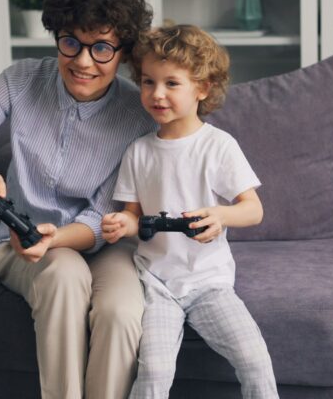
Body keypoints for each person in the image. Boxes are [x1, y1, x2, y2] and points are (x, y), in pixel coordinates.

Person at [0, 0, 157, 398]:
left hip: (103, 241)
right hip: (20, 245)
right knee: (64, 274)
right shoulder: (20, 79)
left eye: (101, 47)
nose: (83, 62)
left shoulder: (137, 115)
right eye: (71, 42)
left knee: (122, 309)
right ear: (56, 36)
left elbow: (105, 214)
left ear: (123, 51)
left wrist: (58, 236)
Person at [101, 25, 279, 398]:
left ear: (203, 88)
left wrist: (221, 215)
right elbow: (134, 216)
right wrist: (124, 223)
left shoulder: (218, 146)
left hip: (208, 283)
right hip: (156, 284)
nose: (157, 94)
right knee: (154, 372)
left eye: (171, 83)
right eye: (148, 82)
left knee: (255, 358)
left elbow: (253, 210)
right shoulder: (139, 151)